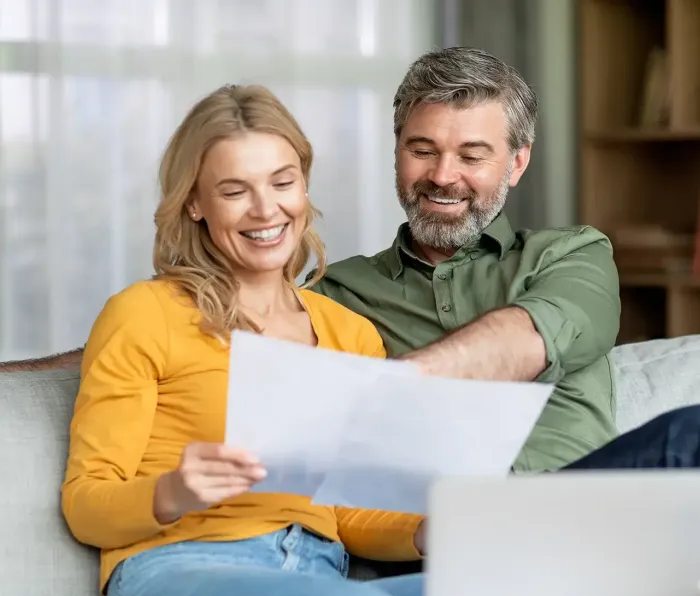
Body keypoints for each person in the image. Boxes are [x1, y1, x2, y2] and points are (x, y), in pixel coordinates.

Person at [5, 47, 700, 473]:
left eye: (472, 155)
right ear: (397, 152)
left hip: (574, 505)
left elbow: (529, 337)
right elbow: (180, 333)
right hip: (437, 536)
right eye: (423, 148)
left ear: (516, 164)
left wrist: (391, 385)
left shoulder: (572, 255)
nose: (443, 175)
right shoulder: (339, 295)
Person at [60, 84, 425, 596]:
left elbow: (351, 511)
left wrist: (429, 529)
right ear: (196, 203)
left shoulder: (350, 333)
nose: (266, 210)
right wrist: (174, 490)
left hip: (316, 581)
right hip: (173, 581)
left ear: (303, 187)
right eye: (235, 191)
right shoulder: (143, 313)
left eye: (282, 182)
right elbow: (86, 504)